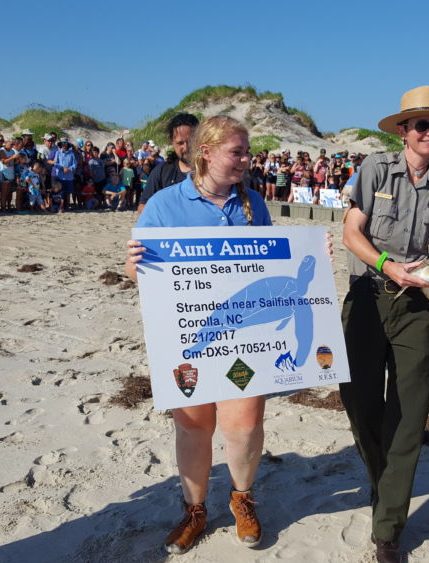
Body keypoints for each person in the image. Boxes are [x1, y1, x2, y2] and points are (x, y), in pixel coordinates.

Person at [125, 116, 270, 555]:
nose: (246, 160)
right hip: (186, 335)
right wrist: (134, 262)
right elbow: (136, 272)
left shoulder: (254, 203)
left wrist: (309, 263)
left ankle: (242, 499)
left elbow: (270, 264)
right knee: (194, 428)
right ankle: (195, 510)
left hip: (242, 335)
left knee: (244, 427)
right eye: (237, 152)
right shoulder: (166, 204)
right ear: (205, 152)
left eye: (248, 152)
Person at [339, 86, 429, 563]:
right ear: (404, 130)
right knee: (359, 403)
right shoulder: (375, 169)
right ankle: (384, 489)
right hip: (367, 299)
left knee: (410, 414)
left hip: (418, 307)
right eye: (422, 125)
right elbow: (351, 233)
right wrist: (386, 266)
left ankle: (389, 528)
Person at [138, 113, 200, 211]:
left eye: (191, 141)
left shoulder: (211, 170)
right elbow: (143, 207)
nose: (186, 147)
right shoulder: (162, 172)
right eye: (180, 143)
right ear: (172, 142)